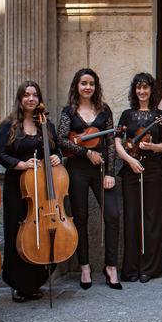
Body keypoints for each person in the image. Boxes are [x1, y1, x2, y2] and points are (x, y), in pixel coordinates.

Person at [57, 68, 120, 290]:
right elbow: (62, 140)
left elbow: (111, 142)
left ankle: (110, 266)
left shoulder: (104, 110)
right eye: (83, 83)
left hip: (102, 168)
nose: (87, 87)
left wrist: (111, 172)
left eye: (91, 83)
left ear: (96, 86)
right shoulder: (68, 111)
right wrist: (86, 152)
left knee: (112, 215)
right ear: (77, 86)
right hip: (77, 169)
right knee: (80, 217)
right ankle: (84, 266)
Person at [0, 81, 59, 302]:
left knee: (40, 233)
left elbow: (57, 148)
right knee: (17, 233)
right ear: (20, 99)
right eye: (26, 95)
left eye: (34, 95)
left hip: (41, 188)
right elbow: (0, 154)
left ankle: (35, 282)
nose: (31, 99)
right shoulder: (8, 125)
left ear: (39, 99)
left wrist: (56, 156)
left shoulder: (46, 124)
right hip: (18, 187)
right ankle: (17, 283)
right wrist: (20, 164)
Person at [115, 72, 162, 283]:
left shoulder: (160, 115)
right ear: (135, 91)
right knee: (132, 217)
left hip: (153, 170)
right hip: (131, 169)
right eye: (139, 88)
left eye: (146, 88)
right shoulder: (127, 114)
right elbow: (117, 141)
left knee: (153, 218)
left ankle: (150, 267)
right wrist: (129, 160)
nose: (142, 91)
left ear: (151, 90)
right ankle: (131, 268)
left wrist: (152, 146)